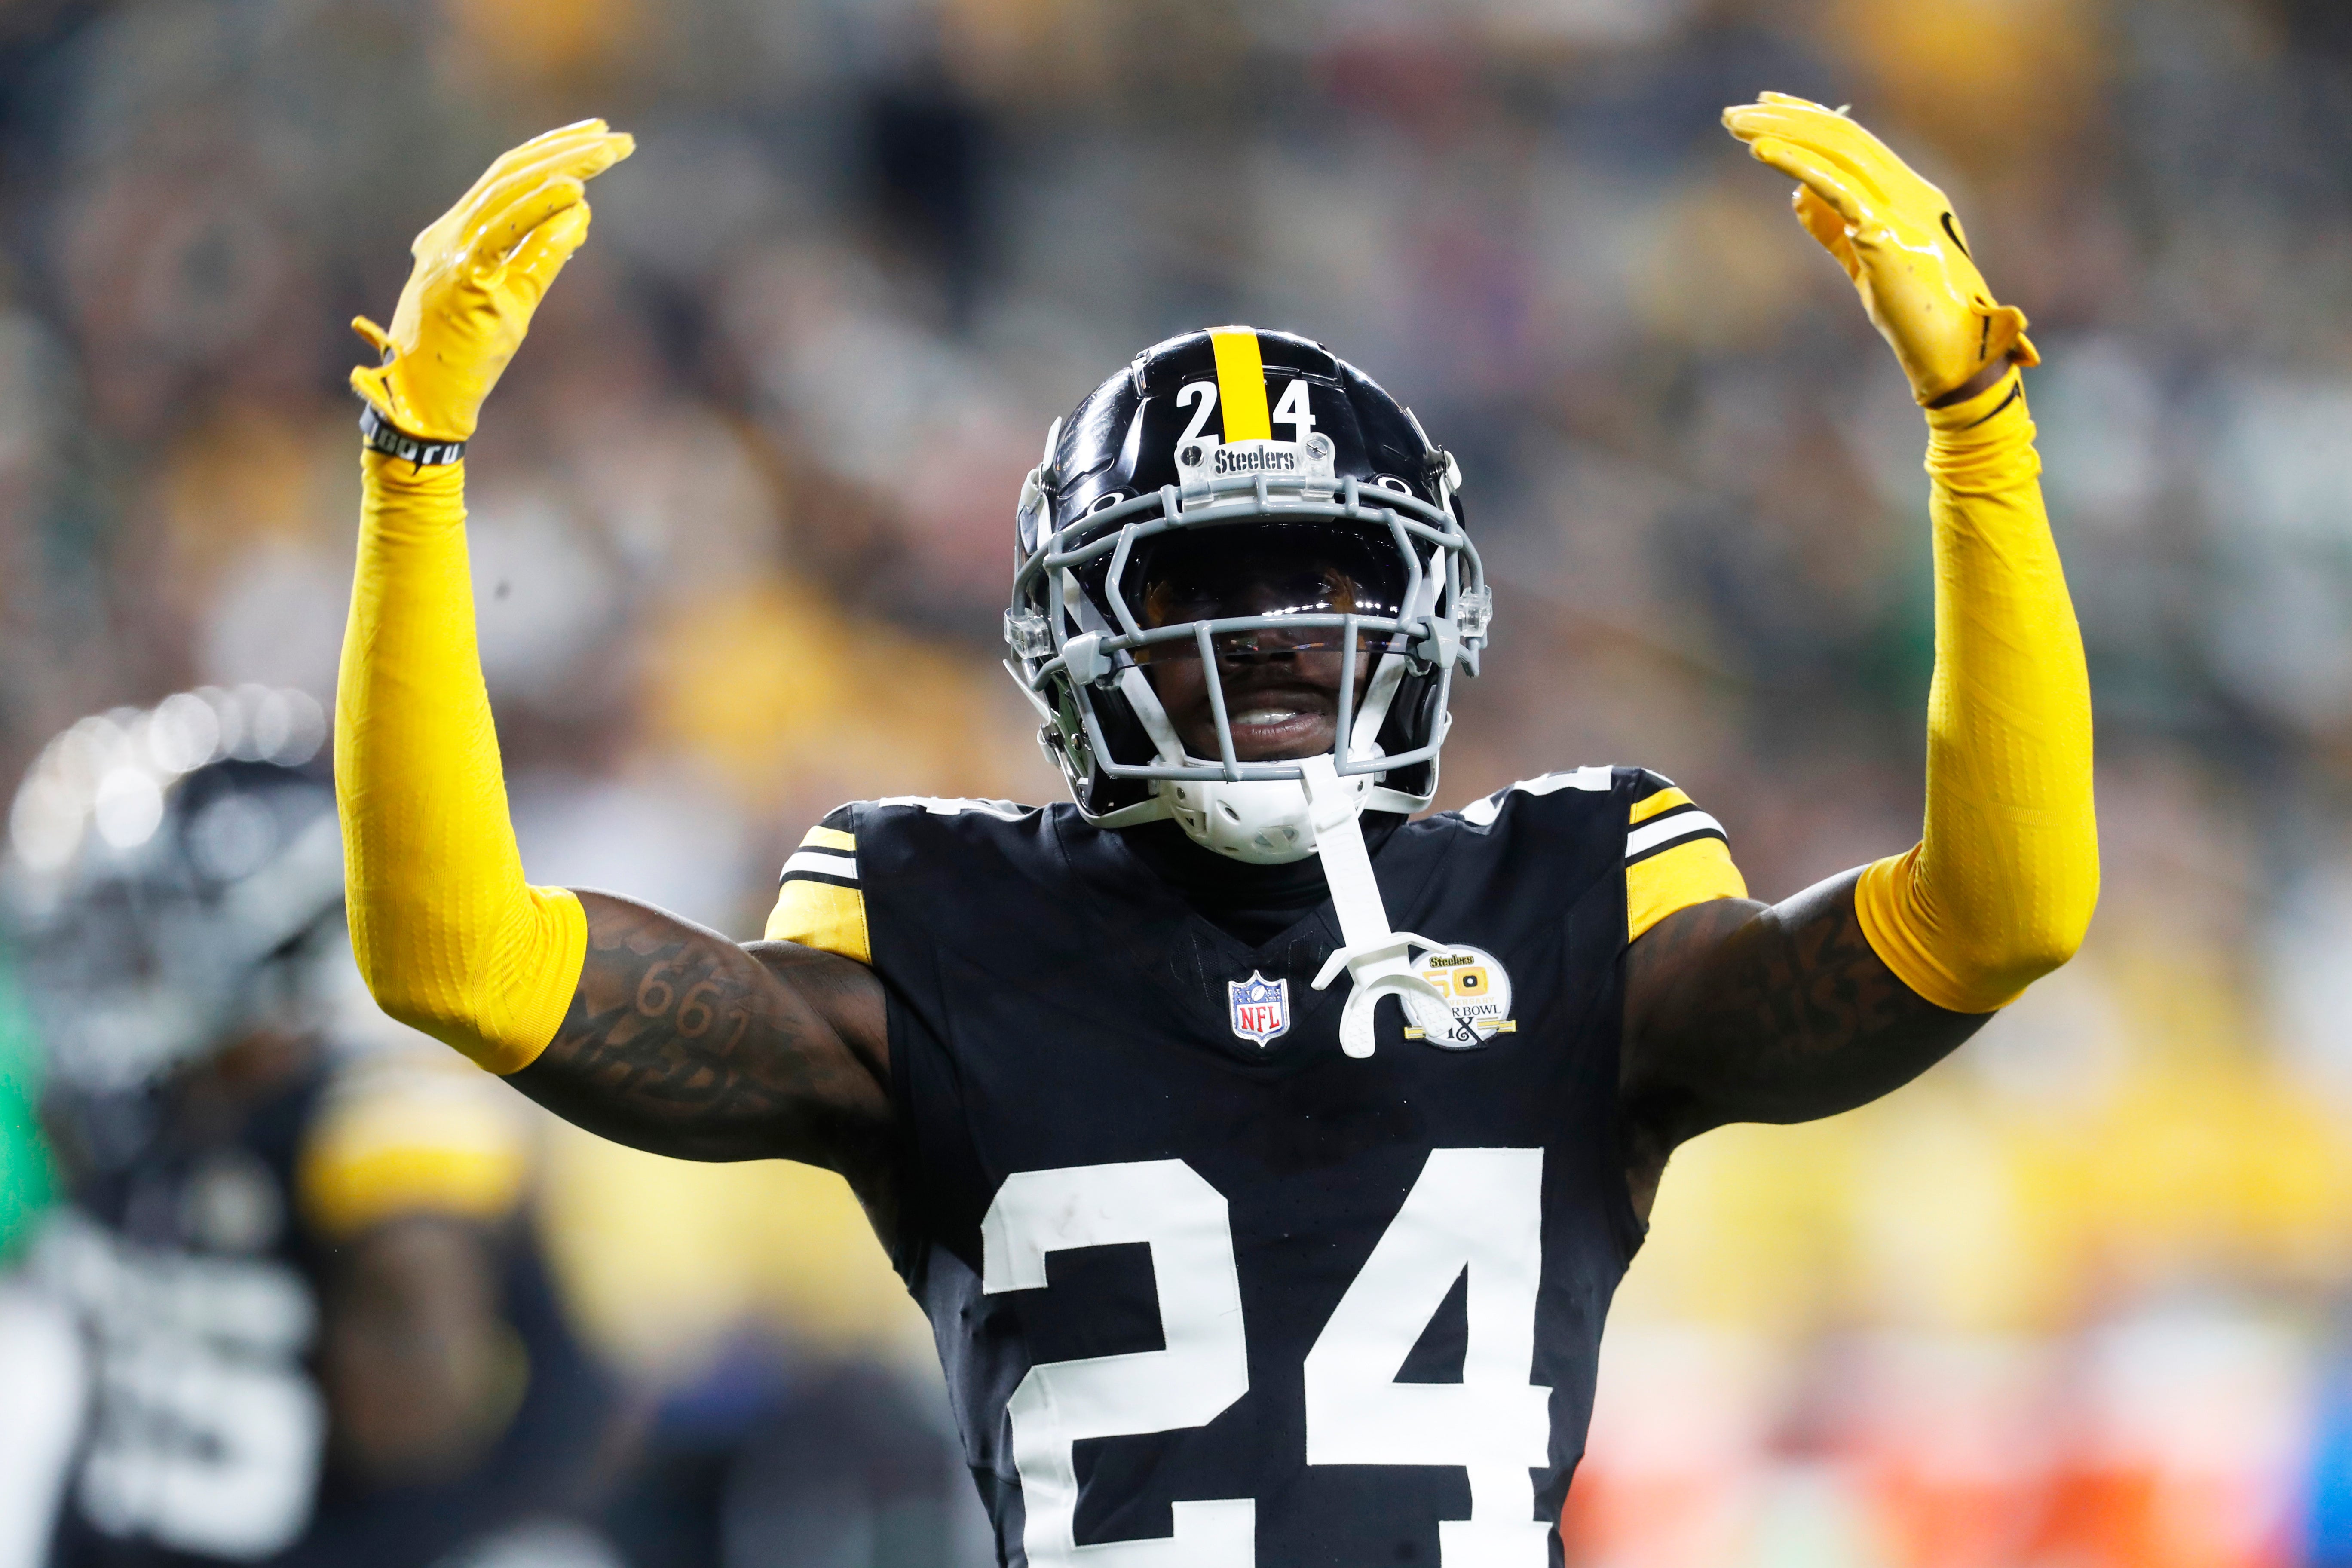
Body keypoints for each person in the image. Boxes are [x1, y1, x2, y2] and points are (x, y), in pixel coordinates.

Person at [336, 100, 2097, 1567]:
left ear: (1421, 613)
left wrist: (1980, 444)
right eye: (1193, 580)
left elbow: (1995, 921)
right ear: (1077, 634)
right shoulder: (940, 922)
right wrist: (412, 478)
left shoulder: (1566, 896)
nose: (1262, 630)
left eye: (1322, 577)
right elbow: (459, 960)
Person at [4, 690, 618, 1568]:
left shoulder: (380, 1125)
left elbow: (441, 1426)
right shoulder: (151, 1103)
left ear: (269, 929)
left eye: (136, 938)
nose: (105, 974)